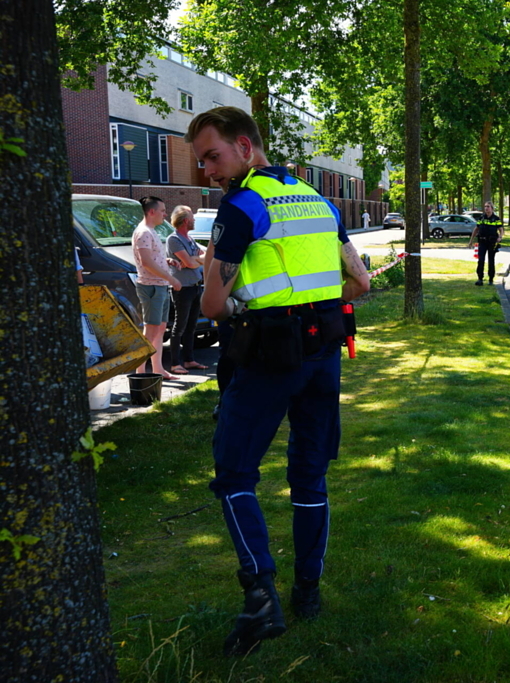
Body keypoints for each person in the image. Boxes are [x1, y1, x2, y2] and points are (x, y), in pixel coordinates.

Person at [185, 106, 371, 656]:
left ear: (246, 147)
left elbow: (215, 305)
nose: (208, 172)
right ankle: (307, 592)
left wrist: (226, 265)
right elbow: (358, 282)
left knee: (235, 474)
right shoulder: (320, 200)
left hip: (266, 357)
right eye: (201, 162)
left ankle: (260, 596)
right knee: (310, 475)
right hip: (321, 354)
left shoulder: (241, 206)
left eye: (213, 157)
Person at [132, 196, 182, 379]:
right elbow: (146, 262)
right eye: (162, 210)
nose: (165, 214)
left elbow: (151, 259)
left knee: (159, 329)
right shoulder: (144, 232)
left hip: (159, 286)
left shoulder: (151, 231)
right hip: (151, 287)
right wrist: (171, 278)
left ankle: (158, 369)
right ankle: (140, 373)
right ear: (151, 212)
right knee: (151, 330)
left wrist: (166, 261)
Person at [166, 206, 208, 375]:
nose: (194, 220)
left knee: (192, 326)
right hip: (182, 289)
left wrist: (194, 259)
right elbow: (191, 263)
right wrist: (195, 260)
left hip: (196, 286)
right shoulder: (174, 239)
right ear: (185, 221)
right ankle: (175, 363)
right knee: (180, 326)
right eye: (192, 217)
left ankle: (189, 360)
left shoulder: (190, 239)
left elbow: (205, 257)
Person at [468, 201, 503, 286]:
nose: (486, 208)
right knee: (481, 260)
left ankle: (491, 279)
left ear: (492, 208)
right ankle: (480, 279)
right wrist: (471, 241)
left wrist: (500, 237)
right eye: (485, 206)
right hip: (482, 242)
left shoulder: (496, 219)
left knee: (491, 261)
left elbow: (501, 229)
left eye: (488, 206)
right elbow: (476, 229)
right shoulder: (481, 218)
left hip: (491, 242)